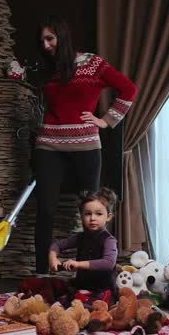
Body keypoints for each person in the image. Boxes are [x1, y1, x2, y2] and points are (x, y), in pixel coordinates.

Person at [34, 15, 137, 276]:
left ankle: (89, 274)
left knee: (91, 213)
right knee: (45, 210)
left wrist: (106, 121)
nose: (46, 45)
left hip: (86, 146)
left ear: (63, 37)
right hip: (49, 145)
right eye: (42, 40)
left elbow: (129, 89)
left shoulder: (93, 63)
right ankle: (42, 274)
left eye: (50, 39)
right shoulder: (50, 69)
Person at [48, 187, 118, 297]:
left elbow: (108, 263)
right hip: (82, 286)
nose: (92, 218)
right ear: (82, 216)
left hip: (103, 289)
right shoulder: (80, 237)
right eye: (87, 214)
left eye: (98, 214)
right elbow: (56, 245)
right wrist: (53, 259)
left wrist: (78, 264)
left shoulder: (109, 240)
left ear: (108, 217)